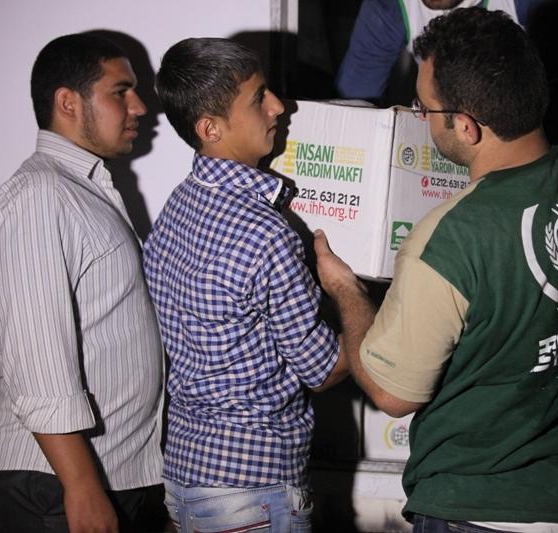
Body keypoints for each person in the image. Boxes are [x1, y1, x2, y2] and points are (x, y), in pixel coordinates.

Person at [315, 8, 558, 532]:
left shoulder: (447, 239)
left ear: (466, 126)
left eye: (424, 108)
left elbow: (391, 393)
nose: (420, 117)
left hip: (478, 508)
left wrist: (345, 289)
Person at [144, 37, 348, 532]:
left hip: (187, 474)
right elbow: (323, 370)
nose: (278, 106)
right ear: (209, 128)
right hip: (254, 486)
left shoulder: (175, 208)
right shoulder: (263, 233)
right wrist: (352, 293)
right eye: (259, 98)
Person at [0, 33, 164, 533]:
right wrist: (81, 486)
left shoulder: (85, 191)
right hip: (53, 485)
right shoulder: (41, 195)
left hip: (103, 476)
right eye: (120, 91)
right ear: (68, 102)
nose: (140, 107)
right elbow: (38, 356)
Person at [336, 0, 558, 147]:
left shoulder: (535, 5)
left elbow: (554, 106)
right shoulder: (388, 7)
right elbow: (354, 106)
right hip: (470, 136)